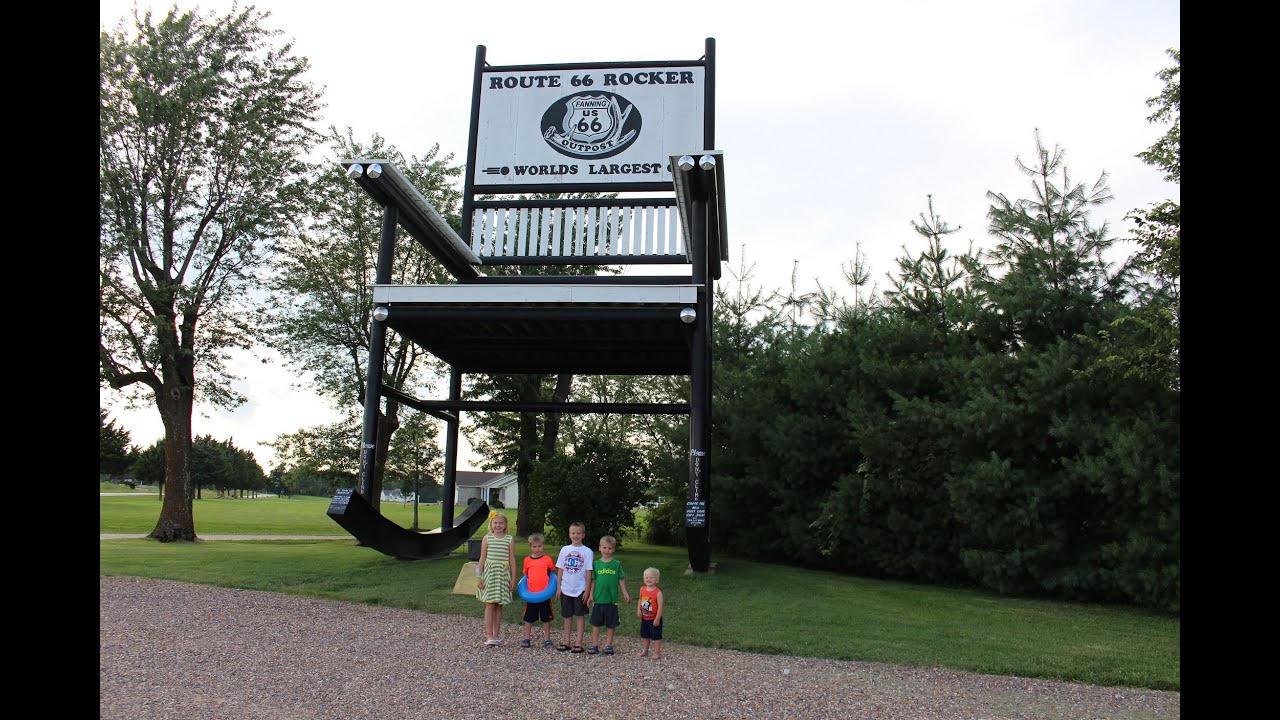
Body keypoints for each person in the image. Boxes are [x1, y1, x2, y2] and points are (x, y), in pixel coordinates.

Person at [475, 511, 516, 646]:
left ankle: (497, 634)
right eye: (495, 523)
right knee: (490, 604)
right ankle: (489, 634)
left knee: (499, 605)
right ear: (491, 524)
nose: (498, 525)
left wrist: (513, 578)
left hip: (503, 575)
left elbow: (512, 560)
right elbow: (482, 558)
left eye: (501, 523)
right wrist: (479, 577)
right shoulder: (487, 538)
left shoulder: (509, 539)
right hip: (490, 574)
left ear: (505, 525)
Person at [586, 534, 630, 655]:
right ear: (600, 548)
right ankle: (594, 644)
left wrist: (625, 593)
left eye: (609, 548)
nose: (607, 551)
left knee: (611, 625)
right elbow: (593, 581)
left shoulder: (616, 564)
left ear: (613, 549)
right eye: (604, 548)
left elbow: (621, 579)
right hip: (598, 600)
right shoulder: (596, 564)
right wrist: (590, 595)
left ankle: (608, 645)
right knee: (596, 624)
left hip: (611, 601)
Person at [554, 521, 593, 653]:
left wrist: (587, 590)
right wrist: (558, 587)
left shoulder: (587, 552)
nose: (575, 535)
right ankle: (566, 641)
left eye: (578, 533)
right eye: (573, 533)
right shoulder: (565, 550)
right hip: (566, 588)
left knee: (580, 616)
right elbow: (560, 569)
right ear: (569, 534)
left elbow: (589, 571)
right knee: (567, 616)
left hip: (580, 589)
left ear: (583, 535)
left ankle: (579, 642)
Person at [519, 532, 557, 648]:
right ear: (530, 547)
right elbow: (526, 574)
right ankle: (526, 638)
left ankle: (547, 639)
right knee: (528, 618)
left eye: (539, 546)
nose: (537, 549)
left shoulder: (547, 559)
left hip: (544, 595)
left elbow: (552, 571)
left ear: (543, 546)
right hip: (531, 595)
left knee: (546, 618)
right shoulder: (527, 560)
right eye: (534, 546)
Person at [636, 566, 665, 659]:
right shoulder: (642, 589)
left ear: (656, 580)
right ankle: (645, 651)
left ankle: (657, 653)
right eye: (646, 577)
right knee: (645, 635)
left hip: (654, 619)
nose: (648, 579)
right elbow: (640, 599)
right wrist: (638, 609)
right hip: (645, 618)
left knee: (656, 636)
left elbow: (660, 606)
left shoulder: (658, 593)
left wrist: (657, 618)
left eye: (651, 577)